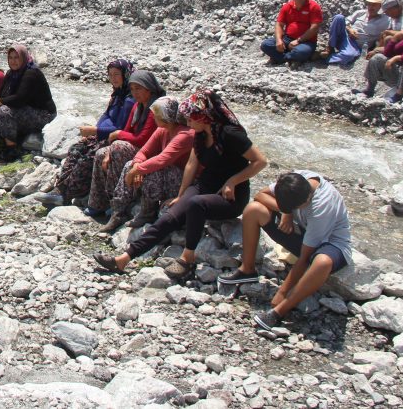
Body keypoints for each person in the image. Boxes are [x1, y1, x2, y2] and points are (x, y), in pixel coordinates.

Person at [94, 89, 267, 281]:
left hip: (230, 196)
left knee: (196, 205)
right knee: (171, 216)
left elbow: (260, 162)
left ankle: (187, 258)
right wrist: (182, 194)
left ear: (204, 117)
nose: (187, 123)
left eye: (191, 119)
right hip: (206, 186)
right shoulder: (200, 134)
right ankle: (124, 258)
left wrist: (233, 181)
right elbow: (192, 164)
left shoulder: (230, 134)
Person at [218, 171, 352, 332]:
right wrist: (286, 213)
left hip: (330, 243)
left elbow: (304, 257)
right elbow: (261, 195)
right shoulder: (293, 182)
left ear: (307, 199)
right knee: (254, 209)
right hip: (303, 231)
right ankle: (247, 269)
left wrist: (282, 292)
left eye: (295, 208)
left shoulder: (321, 206)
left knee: (322, 262)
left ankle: (279, 311)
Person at [96, 96, 193, 232]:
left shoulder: (185, 134)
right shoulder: (163, 130)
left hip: (184, 181)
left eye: (156, 115)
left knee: (153, 170)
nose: (153, 117)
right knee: (130, 164)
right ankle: (118, 211)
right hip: (168, 174)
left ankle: (147, 213)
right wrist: (136, 166)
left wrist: (137, 171)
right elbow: (144, 152)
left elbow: (163, 159)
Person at [85, 70, 166, 229]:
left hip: (148, 151)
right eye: (133, 89)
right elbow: (128, 130)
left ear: (149, 89)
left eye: (139, 89)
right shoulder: (137, 106)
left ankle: (119, 208)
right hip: (134, 146)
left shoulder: (154, 108)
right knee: (102, 153)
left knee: (118, 148)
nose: (135, 93)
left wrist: (118, 136)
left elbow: (143, 138)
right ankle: (99, 202)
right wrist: (110, 149)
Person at [55, 59, 136, 206]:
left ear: (126, 75)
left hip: (117, 139)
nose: (113, 78)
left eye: (117, 74)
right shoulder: (117, 94)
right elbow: (106, 115)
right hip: (103, 135)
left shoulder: (130, 99)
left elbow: (121, 128)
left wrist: (96, 131)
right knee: (75, 149)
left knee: (87, 157)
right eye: (110, 75)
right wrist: (95, 133)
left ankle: (70, 194)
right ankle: (60, 189)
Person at [0, 44, 56, 162]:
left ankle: (12, 148)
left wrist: (1, 102)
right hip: (24, 109)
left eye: (16, 57)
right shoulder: (11, 74)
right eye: (10, 58)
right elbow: (3, 94)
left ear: (24, 57)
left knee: (3, 111)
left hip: (44, 114)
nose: (13, 61)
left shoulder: (31, 73)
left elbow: (20, 98)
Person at [355, 16, 403, 103]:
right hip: (402, 78)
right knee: (378, 58)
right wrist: (394, 39)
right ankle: (369, 89)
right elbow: (388, 54)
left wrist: (399, 57)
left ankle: (398, 95)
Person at [260, 0, 323, 66]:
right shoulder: (287, 6)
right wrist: (279, 40)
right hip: (287, 39)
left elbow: (315, 27)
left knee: (300, 51)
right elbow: (279, 24)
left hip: (306, 41)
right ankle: (291, 59)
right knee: (266, 45)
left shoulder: (314, 6)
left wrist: (298, 40)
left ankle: (279, 58)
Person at [323, 0, 389, 67]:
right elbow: (346, 22)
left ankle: (325, 58)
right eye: (369, 4)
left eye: (374, 5)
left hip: (357, 44)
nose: (371, 7)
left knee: (348, 56)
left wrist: (376, 49)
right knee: (339, 17)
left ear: (380, 7)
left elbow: (385, 34)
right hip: (345, 36)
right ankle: (330, 47)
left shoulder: (385, 20)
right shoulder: (360, 13)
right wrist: (350, 29)